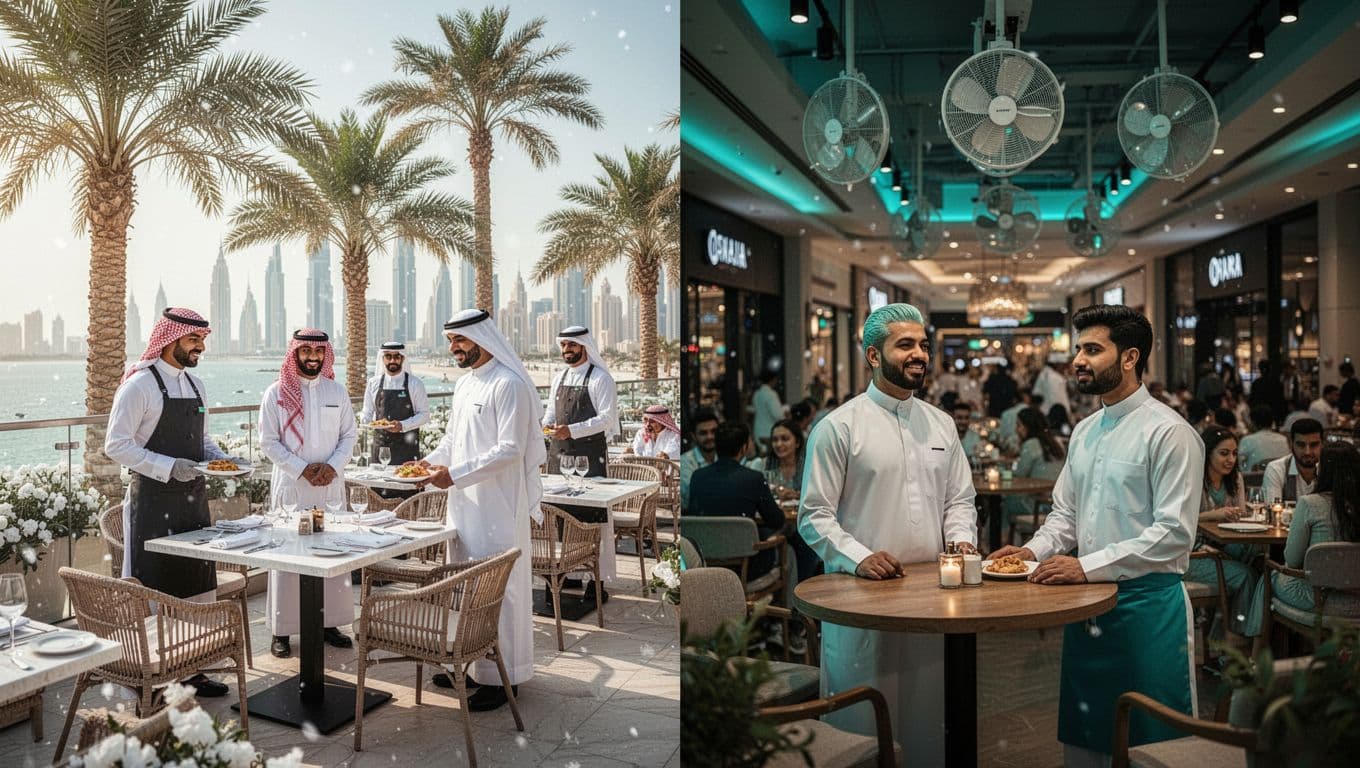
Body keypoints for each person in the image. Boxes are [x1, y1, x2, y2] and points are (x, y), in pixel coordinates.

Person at [990, 304, 1202, 767]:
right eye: (1079, 349)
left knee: (1154, 743)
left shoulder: (1170, 433)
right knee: (1087, 737)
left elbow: (1174, 534)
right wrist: (1028, 551)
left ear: (1129, 358)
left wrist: (1083, 566)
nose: (1078, 360)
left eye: (1092, 349)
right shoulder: (1084, 431)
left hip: (1147, 610)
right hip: (1085, 606)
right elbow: (1066, 514)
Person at [800, 302, 977, 765]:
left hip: (932, 598)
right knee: (862, 724)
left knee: (923, 721)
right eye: (906, 345)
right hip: (860, 598)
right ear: (874, 356)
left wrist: (962, 539)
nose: (919, 353)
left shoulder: (941, 423)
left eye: (923, 344)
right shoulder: (838, 427)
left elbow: (959, 499)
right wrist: (858, 556)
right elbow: (814, 516)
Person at [409, 308, 544, 710]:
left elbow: (510, 450)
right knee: (465, 587)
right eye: (451, 341)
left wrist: (455, 474)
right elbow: (453, 440)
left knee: (499, 589)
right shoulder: (466, 385)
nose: (454, 348)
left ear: (482, 339)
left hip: (499, 507)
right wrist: (428, 464)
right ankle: (466, 667)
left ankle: (503, 678)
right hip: (464, 505)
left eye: (460, 340)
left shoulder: (510, 385)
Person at [105, 308, 239, 698]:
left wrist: (225, 459)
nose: (201, 346)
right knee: (157, 586)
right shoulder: (139, 386)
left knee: (195, 586)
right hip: (153, 503)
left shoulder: (196, 386)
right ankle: (157, 677)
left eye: (203, 339)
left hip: (194, 501)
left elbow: (204, 442)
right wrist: (167, 466)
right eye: (194, 339)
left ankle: (193, 669)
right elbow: (116, 445)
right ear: (170, 339)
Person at [259, 330, 357, 658]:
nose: (312, 356)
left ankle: (330, 623)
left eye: (319, 350)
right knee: (288, 557)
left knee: (332, 554)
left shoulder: (337, 392)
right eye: (306, 351)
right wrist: (302, 469)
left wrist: (332, 467)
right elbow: (268, 442)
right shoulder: (276, 394)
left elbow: (349, 435)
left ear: (325, 354)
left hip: (329, 484)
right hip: (292, 486)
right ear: (295, 353)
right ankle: (282, 630)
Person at [1242, 443, 1360, 641]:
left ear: (1324, 470)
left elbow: (1292, 560)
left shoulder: (1310, 504)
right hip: (1356, 600)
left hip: (1319, 599)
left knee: (1268, 575)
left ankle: (1257, 652)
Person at [687, 422, 785, 576]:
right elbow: (776, 520)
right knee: (788, 550)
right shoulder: (753, 478)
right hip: (747, 567)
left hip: (705, 562)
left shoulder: (697, 476)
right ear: (744, 447)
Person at [1186, 426, 1255, 639]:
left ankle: (1220, 636)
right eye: (1224, 453)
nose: (1231, 460)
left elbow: (1241, 514)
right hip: (1193, 554)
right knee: (1246, 576)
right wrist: (1214, 514)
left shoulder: (1235, 479)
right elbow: (1179, 520)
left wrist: (1238, 514)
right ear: (1208, 453)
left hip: (1223, 547)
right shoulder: (1192, 479)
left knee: (1257, 560)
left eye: (1234, 454)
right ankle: (1233, 644)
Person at [543, 326, 617, 478]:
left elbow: (607, 419)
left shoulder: (601, 379)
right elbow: (551, 411)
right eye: (563, 345)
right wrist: (546, 427)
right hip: (558, 456)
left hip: (590, 458)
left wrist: (571, 430)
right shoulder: (558, 378)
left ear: (585, 347)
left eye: (572, 345)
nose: (566, 349)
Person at [359, 340, 430, 497]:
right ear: (382, 359)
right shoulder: (373, 383)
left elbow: (424, 415)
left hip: (407, 449)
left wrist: (402, 425)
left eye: (396, 357)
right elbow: (367, 411)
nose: (392, 360)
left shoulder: (415, 384)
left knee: (407, 494)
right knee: (379, 494)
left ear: (403, 359)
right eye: (388, 356)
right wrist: (366, 421)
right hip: (380, 448)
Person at [1001, 407, 1066, 528]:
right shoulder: (1055, 443)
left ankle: (1001, 542)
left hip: (1037, 506)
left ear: (1028, 426)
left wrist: (1003, 471)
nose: (1016, 429)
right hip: (1056, 504)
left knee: (1005, 503)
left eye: (1019, 425)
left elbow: (1018, 475)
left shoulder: (1031, 445)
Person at [1262, 418, 1324, 502]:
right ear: (1291, 444)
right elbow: (1273, 510)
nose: (1307, 452)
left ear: (1322, 444)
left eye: (1314, 445)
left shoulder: (1330, 469)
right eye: (1301, 445)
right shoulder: (1276, 469)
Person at [680, 408, 719, 512]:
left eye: (713, 432)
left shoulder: (724, 456)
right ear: (694, 436)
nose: (710, 436)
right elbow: (691, 498)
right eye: (703, 433)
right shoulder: (685, 462)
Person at [1238, 405, 1290, 472]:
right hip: (1282, 480)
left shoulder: (1246, 441)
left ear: (1253, 423)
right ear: (1272, 422)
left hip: (1254, 481)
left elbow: (1241, 468)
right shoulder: (1284, 439)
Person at [752, 370, 784, 455]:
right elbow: (778, 415)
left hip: (758, 430)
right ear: (773, 380)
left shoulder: (757, 393)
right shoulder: (771, 394)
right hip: (769, 431)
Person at [1033, 353, 1072, 420]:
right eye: (1064, 365)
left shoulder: (1044, 374)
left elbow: (1036, 393)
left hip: (1044, 413)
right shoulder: (1055, 378)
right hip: (1055, 415)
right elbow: (1060, 400)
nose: (1066, 368)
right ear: (1058, 365)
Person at [1248, 359, 1285, 425]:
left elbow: (1252, 400)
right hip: (1274, 413)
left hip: (1260, 414)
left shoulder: (1256, 383)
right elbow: (1281, 400)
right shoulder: (1277, 382)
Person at [995, 387, 1032, 454]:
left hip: (1011, 449)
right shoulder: (1033, 411)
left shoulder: (1006, 414)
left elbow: (1001, 437)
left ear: (1014, 400)